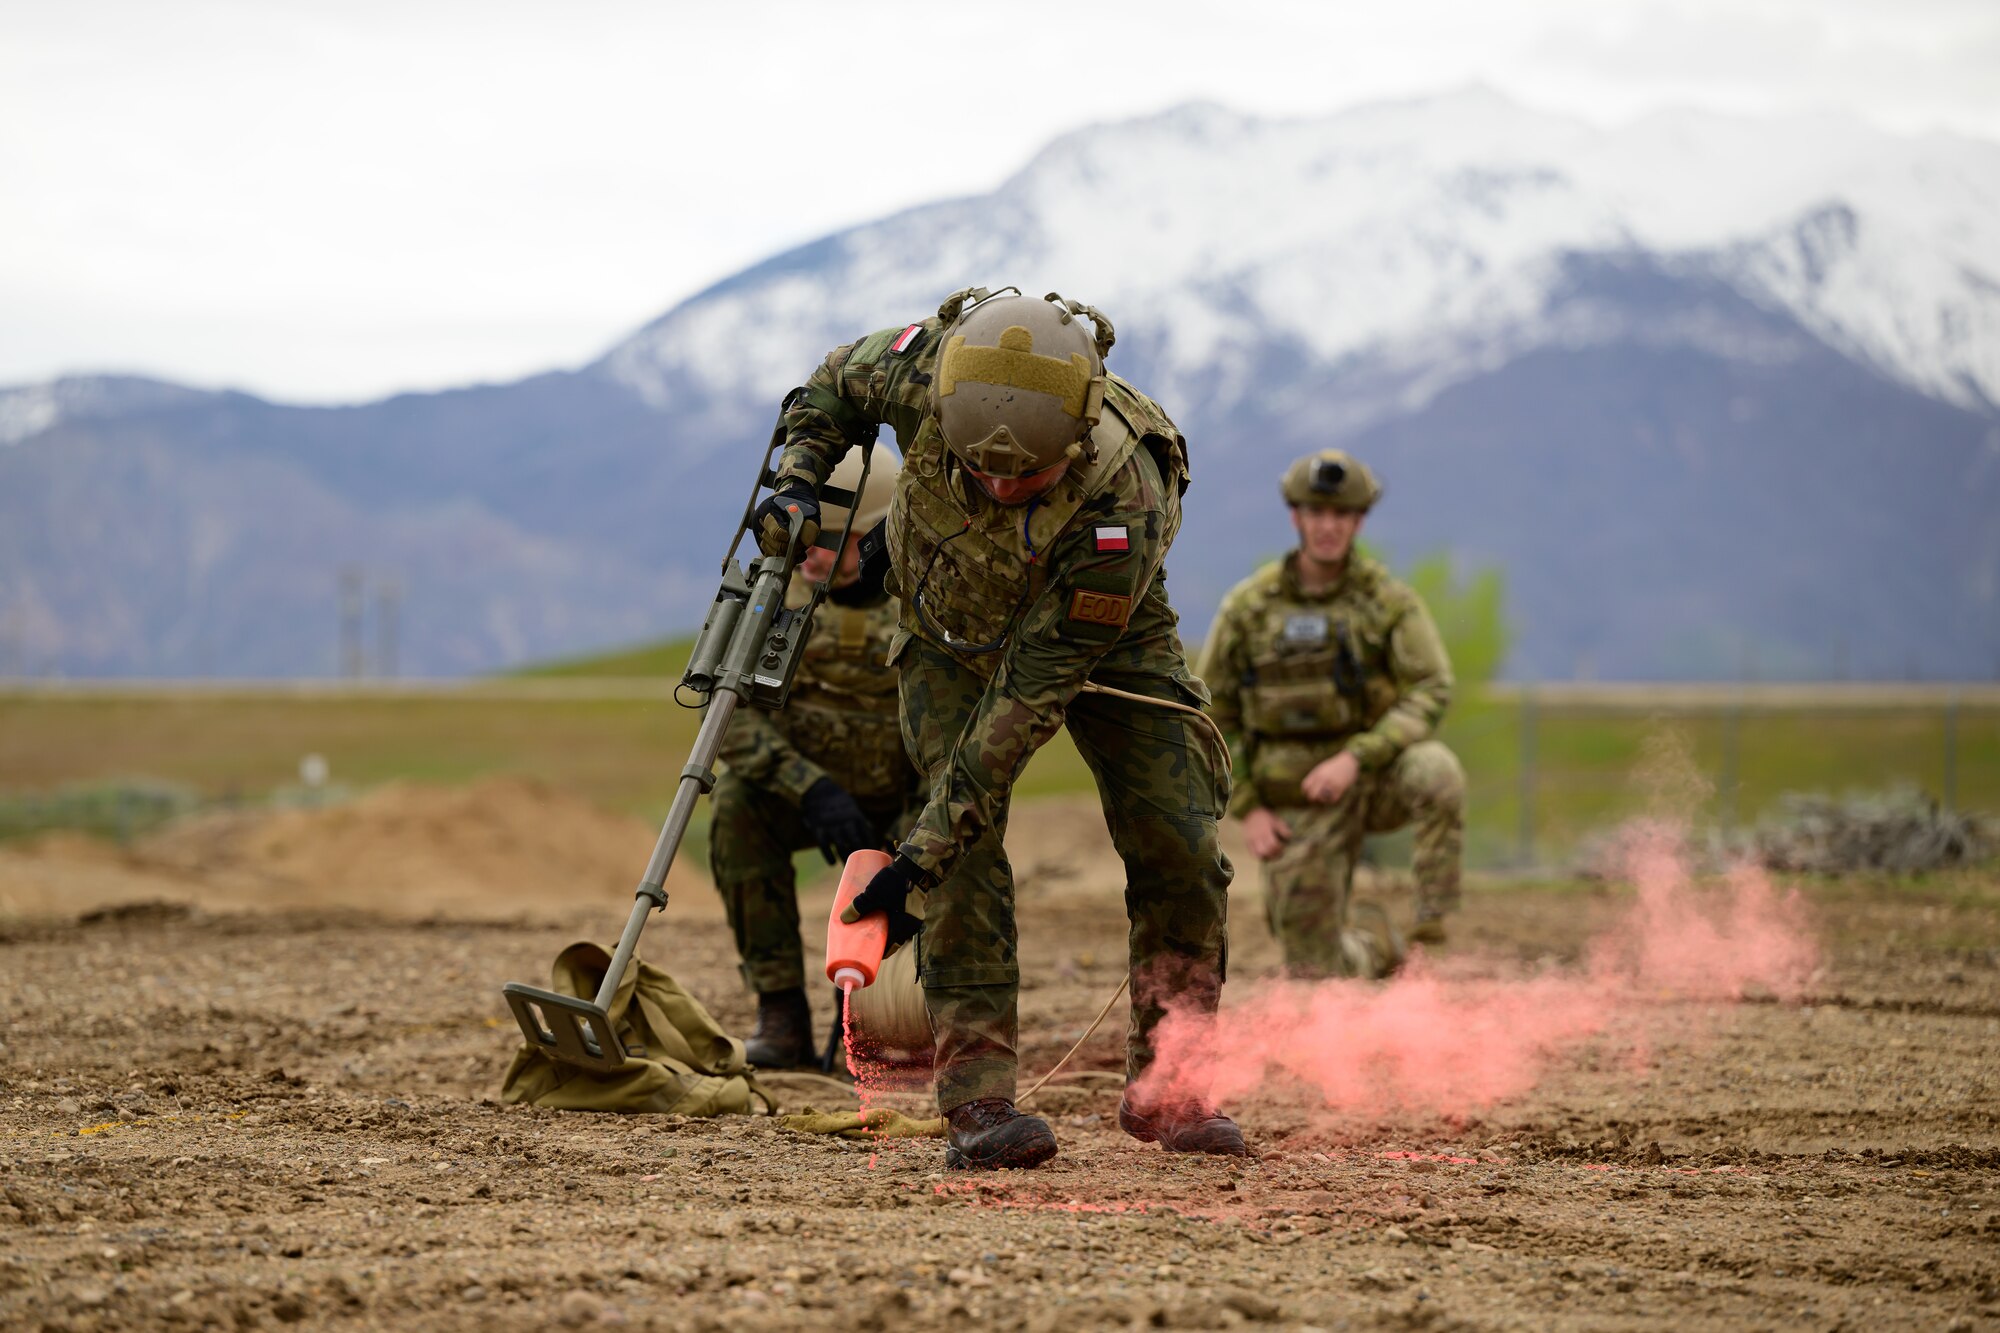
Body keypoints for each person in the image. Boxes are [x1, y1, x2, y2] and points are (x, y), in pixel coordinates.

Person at [750, 287, 1243, 1169]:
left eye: (1027, 477)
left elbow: (1027, 702)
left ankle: (1175, 1079)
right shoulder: (925, 368)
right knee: (967, 856)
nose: (1004, 488)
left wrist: (918, 854)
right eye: (983, 471)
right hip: (941, 616)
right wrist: (795, 483)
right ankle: (978, 1098)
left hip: (1097, 632)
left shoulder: (1124, 496)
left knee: (1180, 839)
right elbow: (829, 388)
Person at [1196, 449, 1465, 978]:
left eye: (1341, 515)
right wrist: (1248, 807)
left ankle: (1431, 929)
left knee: (1438, 773)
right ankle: (1374, 949)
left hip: (1370, 779)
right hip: (1294, 801)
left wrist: (1357, 758)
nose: (1328, 526)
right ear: (1295, 517)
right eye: (1316, 513)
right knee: (1316, 973)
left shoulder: (1386, 603)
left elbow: (1432, 687)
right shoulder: (1249, 609)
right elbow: (1211, 715)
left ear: (1359, 521)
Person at [710, 447, 924, 1069]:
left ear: (878, 532)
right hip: (808, 799)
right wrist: (809, 789)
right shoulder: (770, 604)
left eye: (830, 539)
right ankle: (781, 1015)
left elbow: (953, 736)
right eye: (804, 538)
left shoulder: (927, 610)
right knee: (735, 807)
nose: (811, 554)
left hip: (903, 808)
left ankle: (872, 1014)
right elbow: (729, 719)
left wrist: (910, 843)